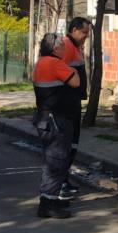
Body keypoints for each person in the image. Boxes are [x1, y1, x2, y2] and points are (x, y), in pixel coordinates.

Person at [32, 33, 81, 219]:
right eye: (62, 45)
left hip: (46, 118)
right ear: (55, 48)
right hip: (56, 121)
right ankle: (48, 205)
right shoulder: (54, 63)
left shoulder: (41, 62)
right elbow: (75, 82)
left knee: (51, 161)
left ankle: (50, 199)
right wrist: (74, 70)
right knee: (57, 162)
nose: (65, 48)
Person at [61, 16, 92, 200]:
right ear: (74, 30)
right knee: (65, 146)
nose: (86, 36)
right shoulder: (66, 46)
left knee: (72, 144)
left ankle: (64, 179)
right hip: (67, 104)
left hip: (73, 102)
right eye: (84, 32)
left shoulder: (75, 47)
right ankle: (61, 183)